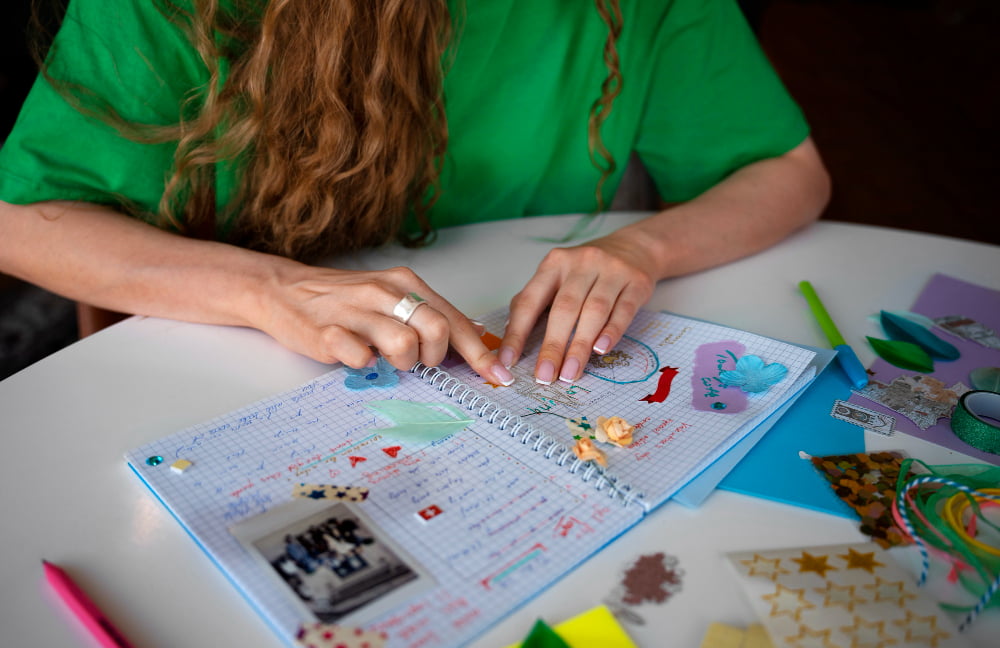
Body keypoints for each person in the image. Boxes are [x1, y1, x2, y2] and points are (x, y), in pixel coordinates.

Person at [0, 0, 830, 388]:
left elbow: (790, 174)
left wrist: (643, 247)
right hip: (232, 361)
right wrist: (272, 287)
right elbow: (24, 223)